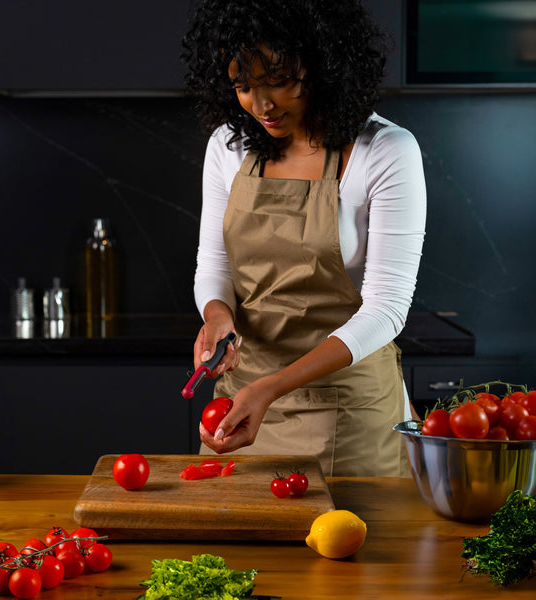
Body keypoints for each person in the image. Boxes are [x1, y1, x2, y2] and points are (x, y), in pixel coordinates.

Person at [181, 0, 426, 477]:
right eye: (243, 85)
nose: (262, 104)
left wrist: (273, 387)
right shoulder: (229, 146)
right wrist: (217, 317)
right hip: (243, 404)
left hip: (350, 413)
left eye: (279, 81)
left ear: (324, 65)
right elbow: (215, 267)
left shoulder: (385, 151)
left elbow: (387, 308)